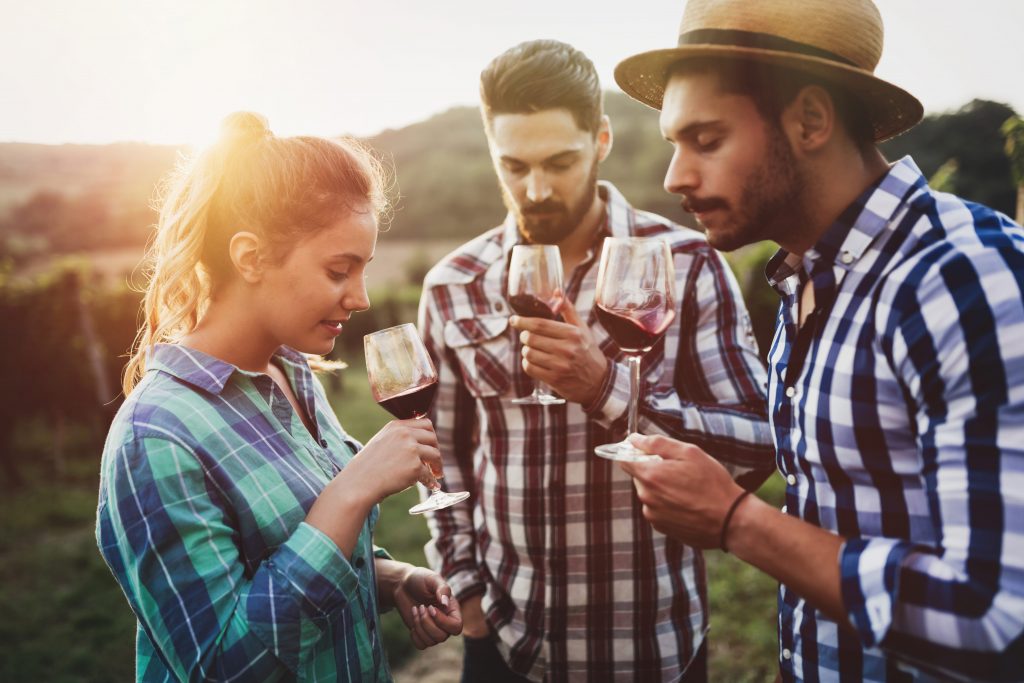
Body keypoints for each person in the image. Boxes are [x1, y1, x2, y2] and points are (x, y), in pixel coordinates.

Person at [613, 0, 1024, 680]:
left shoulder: (960, 278)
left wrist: (735, 520)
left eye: (706, 140)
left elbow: (996, 614)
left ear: (809, 120)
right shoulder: (808, 280)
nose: (674, 177)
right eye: (674, 144)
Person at [418, 40, 775, 682]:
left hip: (647, 644)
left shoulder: (686, 265)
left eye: (559, 162)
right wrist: (467, 596)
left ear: (602, 139)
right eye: (515, 165)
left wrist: (605, 387)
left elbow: (755, 448)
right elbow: (439, 457)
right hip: (504, 643)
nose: (536, 188)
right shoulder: (453, 284)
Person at [96, 112, 462, 682]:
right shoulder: (157, 436)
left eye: (362, 269)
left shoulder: (294, 374)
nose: (361, 297)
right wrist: (352, 491)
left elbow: (283, 551)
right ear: (250, 257)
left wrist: (389, 579)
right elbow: (224, 666)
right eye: (339, 270)